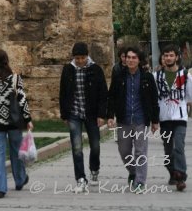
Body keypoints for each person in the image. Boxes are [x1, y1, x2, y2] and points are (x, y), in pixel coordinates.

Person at [0, 48, 33, 198]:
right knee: (16, 151)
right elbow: (22, 99)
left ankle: (0, 188)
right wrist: (28, 119)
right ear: (6, 61)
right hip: (14, 121)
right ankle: (20, 179)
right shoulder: (15, 78)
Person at [107, 45, 159, 193]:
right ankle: (133, 171)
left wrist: (155, 121)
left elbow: (154, 100)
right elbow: (112, 97)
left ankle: (140, 181)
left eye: (134, 58)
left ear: (139, 60)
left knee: (141, 152)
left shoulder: (147, 77)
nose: (130, 60)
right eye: (128, 57)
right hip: (123, 119)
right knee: (124, 151)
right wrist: (110, 116)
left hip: (141, 120)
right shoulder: (119, 76)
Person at [59, 42, 108, 193]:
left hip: (91, 113)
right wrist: (64, 114)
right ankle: (81, 179)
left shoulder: (96, 70)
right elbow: (63, 93)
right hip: (74, 113)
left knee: (95, 146)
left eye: (82, 58)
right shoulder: (68, 70)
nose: (80, 61)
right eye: (77, 58)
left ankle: (94, 168)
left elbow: (103, 94)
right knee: (77, 148)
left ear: (87, 56)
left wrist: (101, 114)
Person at [154, 43, 192, 191]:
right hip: (164, 117)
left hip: (180, 117)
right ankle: (172, 172)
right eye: (166, 55)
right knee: (168, 150)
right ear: (163, 58)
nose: (168, 58)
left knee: (179, 146)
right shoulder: (156, 76)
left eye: (171, 55)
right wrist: (154, 120)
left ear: (177, 57)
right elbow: (154, 98)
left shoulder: (186, 76)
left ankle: (181, 176)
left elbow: (189, 97)